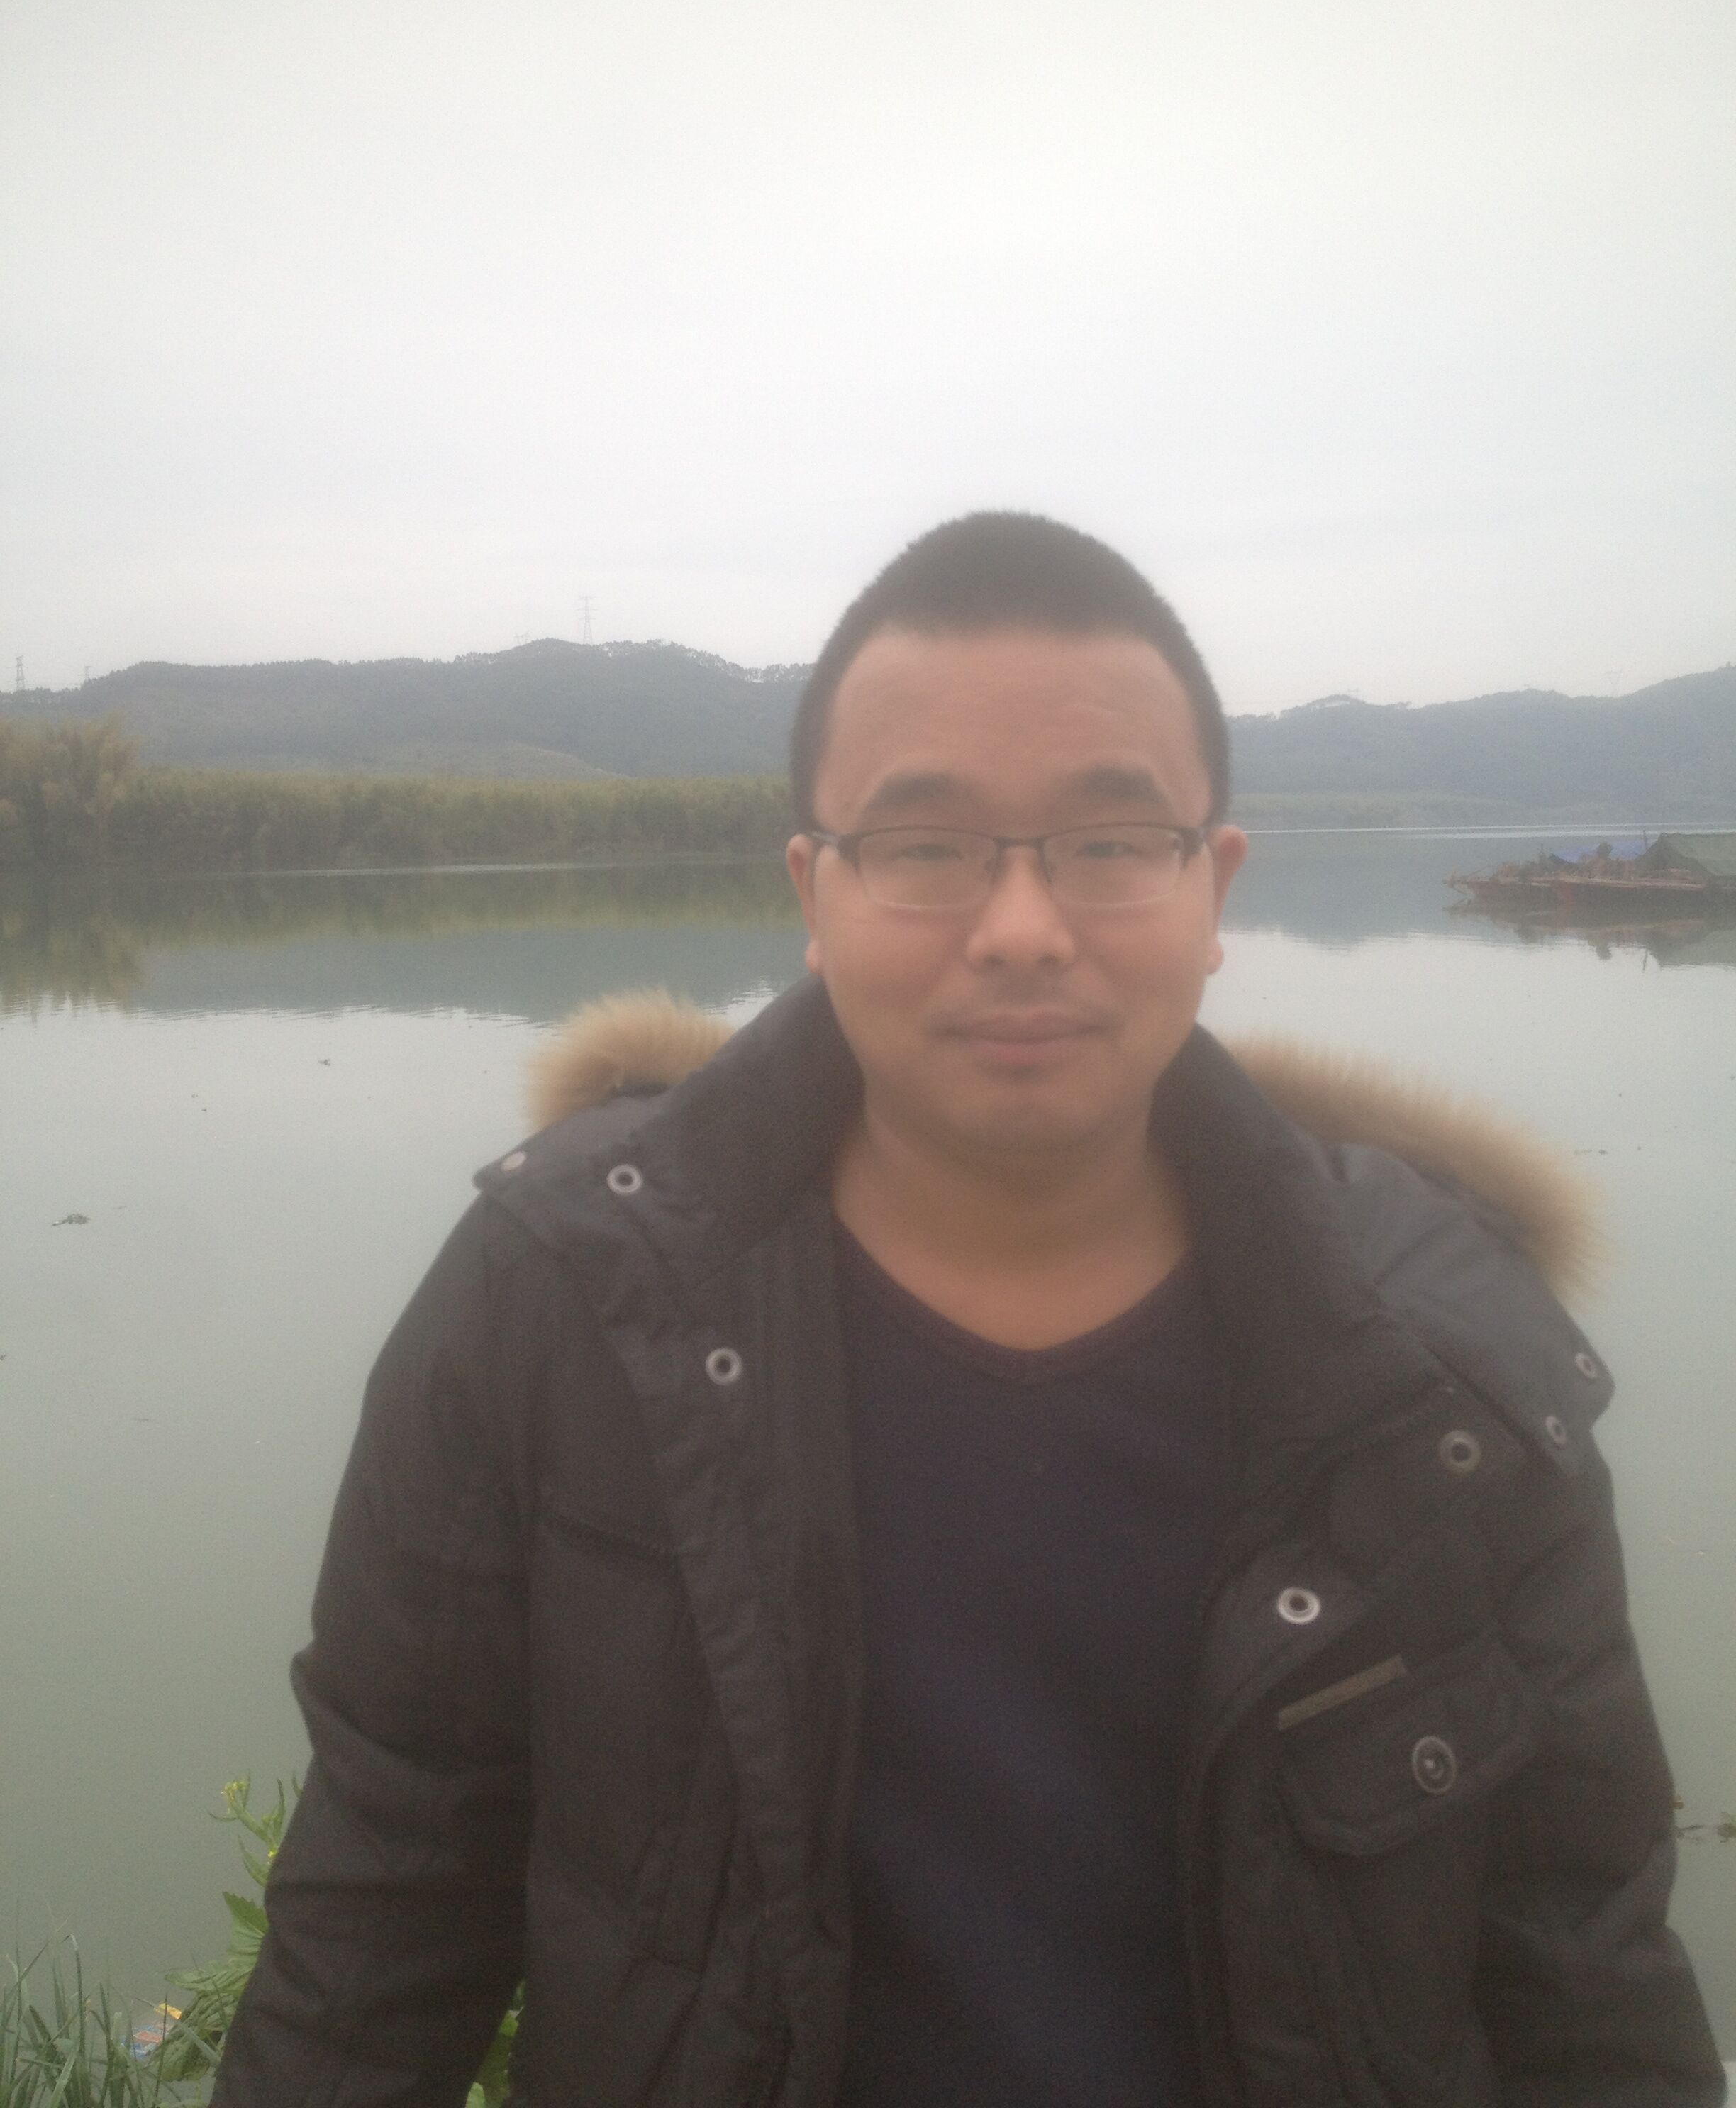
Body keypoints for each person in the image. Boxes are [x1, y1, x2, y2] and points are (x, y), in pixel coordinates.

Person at [213, 514, 1723, 2107]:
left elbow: (1585, 1974)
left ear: (1214, 887)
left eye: (1111, 841)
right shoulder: (562, 1300)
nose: (1020, 930)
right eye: (925, 845)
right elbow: (386, 1902)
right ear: (813, 889)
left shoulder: (1442, 1367)